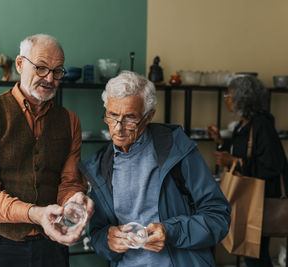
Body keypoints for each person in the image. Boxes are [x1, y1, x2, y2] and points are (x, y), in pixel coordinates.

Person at [0, 34, 94, 267]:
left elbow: (69, 182)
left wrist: (74, 200)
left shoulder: (70, 121)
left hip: (50, 245)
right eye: (41, 68)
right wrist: (35, 214)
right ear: (20, 64)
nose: (50, 78)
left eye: (57, 71)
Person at [78, 71, 231, 267]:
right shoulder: (99, 166)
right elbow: (98, 233)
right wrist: (108, 241)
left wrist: (171, 232)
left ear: (149, 116)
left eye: (130, 118)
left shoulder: (178, 151)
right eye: (112, 116)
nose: (118, 128)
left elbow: (218, 217)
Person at [207, 75, 288, 267]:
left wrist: (236, 161)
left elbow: (273, 165)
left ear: (244, 97)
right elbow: (244, 153)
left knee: (255, 256)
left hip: (259, 199)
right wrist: (220, 142)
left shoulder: (261, 125)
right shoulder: (245, 125)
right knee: (250, 253)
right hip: (248, 198)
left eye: (230, 94)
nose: (226, 98)